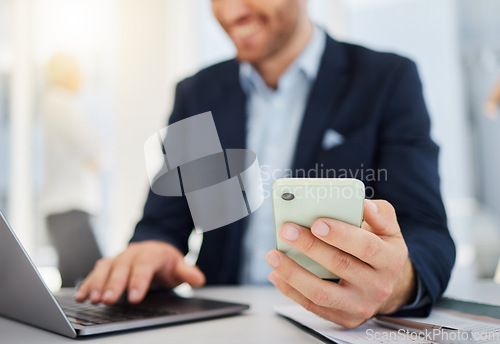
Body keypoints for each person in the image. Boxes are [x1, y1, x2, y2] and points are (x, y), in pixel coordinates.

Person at [75, 0, 455, 328]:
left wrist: (397, 283)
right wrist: (151, 248)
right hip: (219, 325)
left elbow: (426, 228)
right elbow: (163, 221)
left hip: (334, 325)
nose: (230, 10)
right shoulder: (197, 92)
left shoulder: (386, 79)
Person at [41, 53, 103, 287]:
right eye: (78, 70)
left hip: (62, 209)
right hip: (69, 208)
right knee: (99, 276)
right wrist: (95, 158)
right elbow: (94, 148)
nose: (83, 76)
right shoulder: (60, 102)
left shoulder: (56, 103)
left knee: (70, 282)